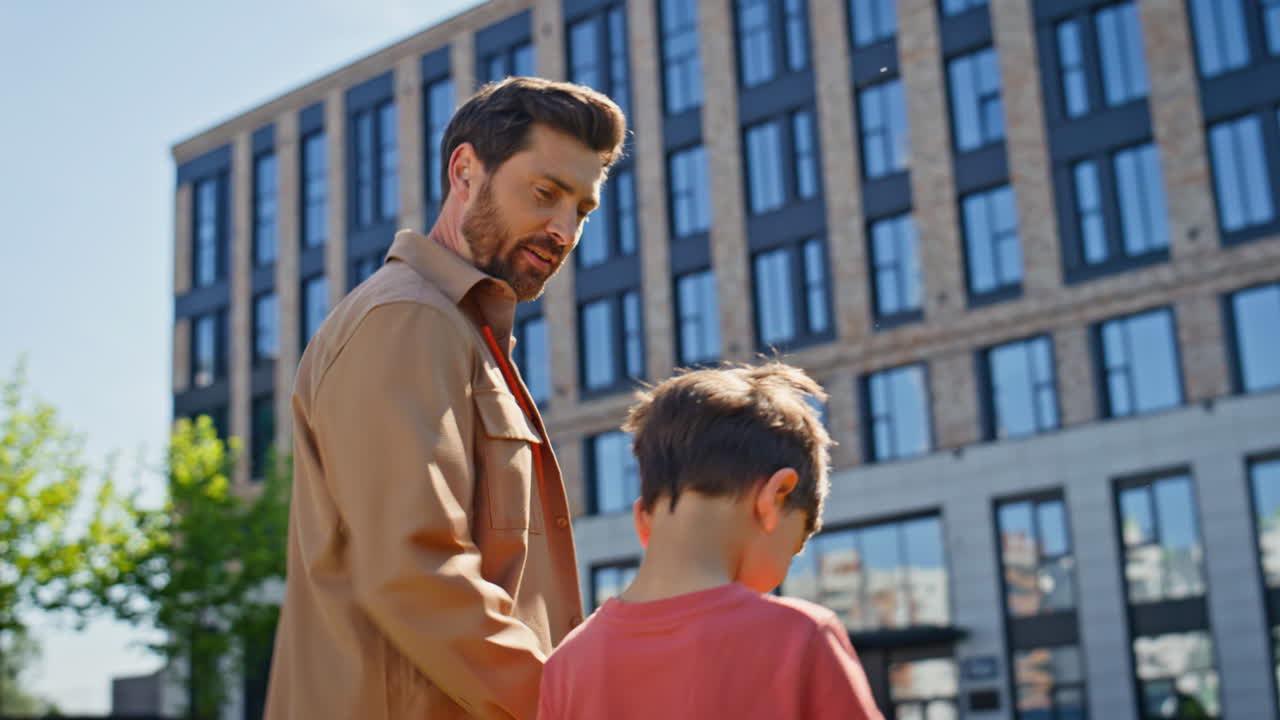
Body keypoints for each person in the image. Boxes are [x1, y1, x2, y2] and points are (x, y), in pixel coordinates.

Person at [264, 77, 627, 720]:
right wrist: (569, 702)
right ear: (465, 171)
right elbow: (415, 569)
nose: (565, 229)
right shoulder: (406, 320)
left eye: (583, 210)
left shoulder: (457, 330)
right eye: (545, 194)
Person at [537, 363, 884, 720]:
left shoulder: (565, 666)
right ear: (775, 497)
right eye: (794, 548)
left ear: (643, 521)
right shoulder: (800, 639)